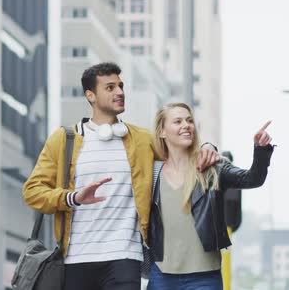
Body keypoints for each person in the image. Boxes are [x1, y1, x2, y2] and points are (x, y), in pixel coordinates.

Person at [22, 62, 219, 290]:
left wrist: (208, 145)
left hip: (125, 257)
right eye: (110, 87)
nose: (120, 92)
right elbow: (32, 192)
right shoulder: (63, 140)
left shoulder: (142, 140)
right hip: (76, 258)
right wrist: (72, 198)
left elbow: (182, 149)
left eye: (121, 86)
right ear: (91, 96)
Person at [146, 103, 274, 289]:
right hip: (162, 276)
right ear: (162, 132)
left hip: (204, 278)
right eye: (178, 121)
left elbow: (252, 179)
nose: (186, 125)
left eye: (189, 120)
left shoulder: (212, 167)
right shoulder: (152, 172)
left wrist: (261, 150)